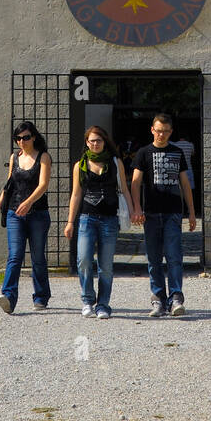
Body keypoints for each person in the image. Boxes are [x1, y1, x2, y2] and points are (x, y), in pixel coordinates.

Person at [64, 125, 137, 319]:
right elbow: (76, 194)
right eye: (92, 141)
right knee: (84, 260)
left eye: (99, 140)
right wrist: (70, 221)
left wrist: (133, 212)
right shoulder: (80, 165)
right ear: (87, 143)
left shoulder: (115, 163)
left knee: (106, 265)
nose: (95, 144)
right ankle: (88, 300)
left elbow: (125, 190)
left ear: (105, 142)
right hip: (87, 219)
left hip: (109, 219)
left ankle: (103, 304)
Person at [131, 112, 196, 317]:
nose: (162, 135)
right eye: (158, 131)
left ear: (171, 132)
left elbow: (185, 183)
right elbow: (135, 183)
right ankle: (158, 298)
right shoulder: (143, 153)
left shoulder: (177, 152)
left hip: (173, 211)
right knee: (154, 258)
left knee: (174, 256)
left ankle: (176, 297)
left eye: (166, 131)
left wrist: (192, 213)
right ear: (152, 130)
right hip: (150, 212)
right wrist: (136, 208)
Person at [0, 121, 52, 314]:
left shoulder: (43, 157)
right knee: (15, 255)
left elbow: (43, 185)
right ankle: (8, 296)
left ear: (33, 137)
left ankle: (41, 296)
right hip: (14, 213)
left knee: (37, 257)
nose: (22, 141)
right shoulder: (14, 158)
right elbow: (8, 187)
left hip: (38, 214)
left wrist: (29, 202)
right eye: (18, 138)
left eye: (25, 137)